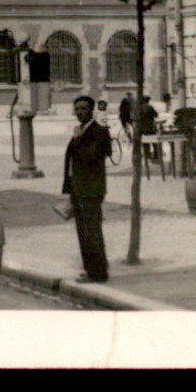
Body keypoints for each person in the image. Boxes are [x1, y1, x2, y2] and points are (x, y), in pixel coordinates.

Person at [63, 94, 113, 283]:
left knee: (91, 231)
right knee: (83, 231)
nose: (79, 112)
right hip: (79, 188)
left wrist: (78, 139)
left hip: (91, 189)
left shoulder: (98, 131)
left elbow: (91, 156)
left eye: (83, 109)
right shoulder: (82, 130)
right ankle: (92, 268)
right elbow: (71, 162)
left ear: (91, 110)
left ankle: (98, 272)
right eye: (77, 109)